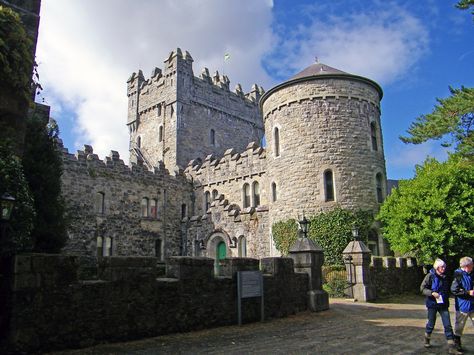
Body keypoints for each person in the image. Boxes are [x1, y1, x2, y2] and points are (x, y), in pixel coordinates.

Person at [420, 258, 461, 354]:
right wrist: (432, 293)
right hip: (432, 304)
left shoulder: (445, 277)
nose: (444, 268)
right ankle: (427, 338)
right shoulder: (430, 276)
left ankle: (452, 348)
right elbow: (422, 288)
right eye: (442, 267)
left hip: (443, 304)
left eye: (444, 266)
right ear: (437, 267)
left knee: (447, 325)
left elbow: (449, 289)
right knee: (431, 324)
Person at [451, 256, 474, 354]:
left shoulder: (472, 273)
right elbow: (454, 290)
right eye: (472, 264)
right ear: (467, 266)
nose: (473, 265)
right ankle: (457, 345)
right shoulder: (458, 274)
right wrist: (468, 292)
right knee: (459, 327)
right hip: (462, 306)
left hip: (473, 305)